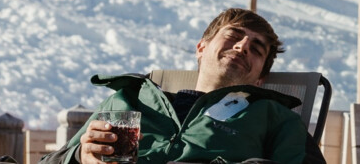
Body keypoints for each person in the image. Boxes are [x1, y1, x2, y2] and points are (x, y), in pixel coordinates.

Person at [45, 8, 321, 164]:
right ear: (201, 48)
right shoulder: (129, 99)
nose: (242, 46)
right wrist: (82, 155)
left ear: (261, 78)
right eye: (233, 36)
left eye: (256, 49)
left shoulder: (274, 116)